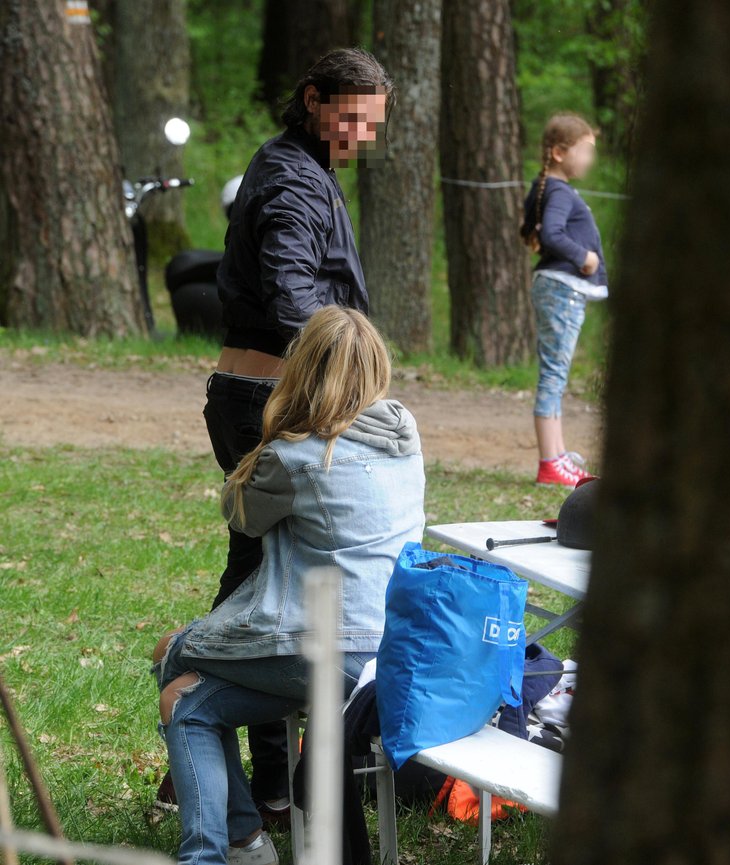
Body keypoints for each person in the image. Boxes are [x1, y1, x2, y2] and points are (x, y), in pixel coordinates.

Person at [155, 48, 395, 819]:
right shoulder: (294, 181)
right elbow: (296, 297)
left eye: (372, 122)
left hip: (261, 391)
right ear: (313, 99)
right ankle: (209, 726)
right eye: (350, 115)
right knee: (260, 580)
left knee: (265, 572)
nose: (360, 133)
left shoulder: (296, 165)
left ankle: (250, 773)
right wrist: (340, 383)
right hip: (269, 396)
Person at [152, 307, 425, 865]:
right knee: (184, 699)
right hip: (392, 652)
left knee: (169, 657)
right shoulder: (404, 435)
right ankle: (240, 842)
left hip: (325, 647)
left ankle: (229, 846)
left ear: (300, 369)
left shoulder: (294, 456)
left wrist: (271, 432)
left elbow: (240, 513)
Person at [521, 113, 608, 487]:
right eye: (585, 150)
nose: (590, 159)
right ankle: (549, 463)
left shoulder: (549, 188)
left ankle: (557, 456)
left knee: (556, 374)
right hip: (563, 288)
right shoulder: (558, 190)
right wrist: (585, 257)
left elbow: (534, 229)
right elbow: (551, 234)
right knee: (554, 376)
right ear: (558, 152)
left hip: (559, 288)